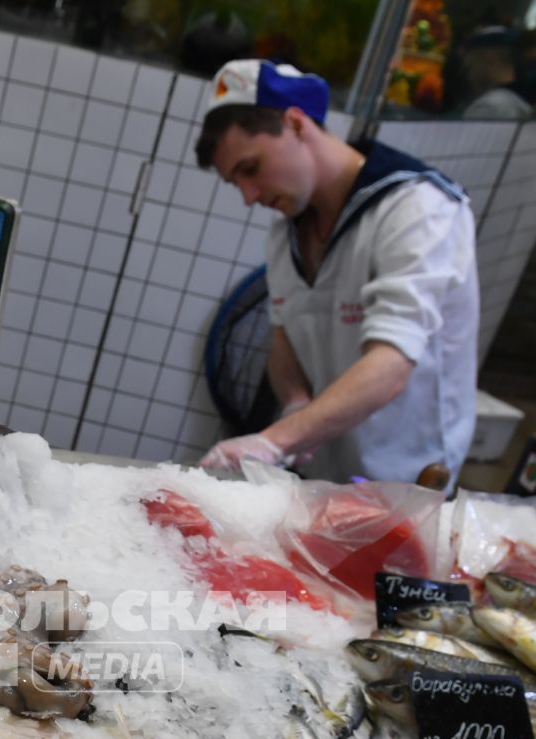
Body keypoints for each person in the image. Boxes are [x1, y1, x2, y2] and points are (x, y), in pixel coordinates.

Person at [195, 61, 479, 486]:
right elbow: (284, 335)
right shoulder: (284, 234)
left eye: (250, 169)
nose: (249, 196)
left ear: (295, 123)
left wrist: (274, 440)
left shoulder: (418, 208)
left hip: (405, 483)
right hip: (320, 473)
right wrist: (294, 404)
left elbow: (392, 363)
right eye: (236, 183)